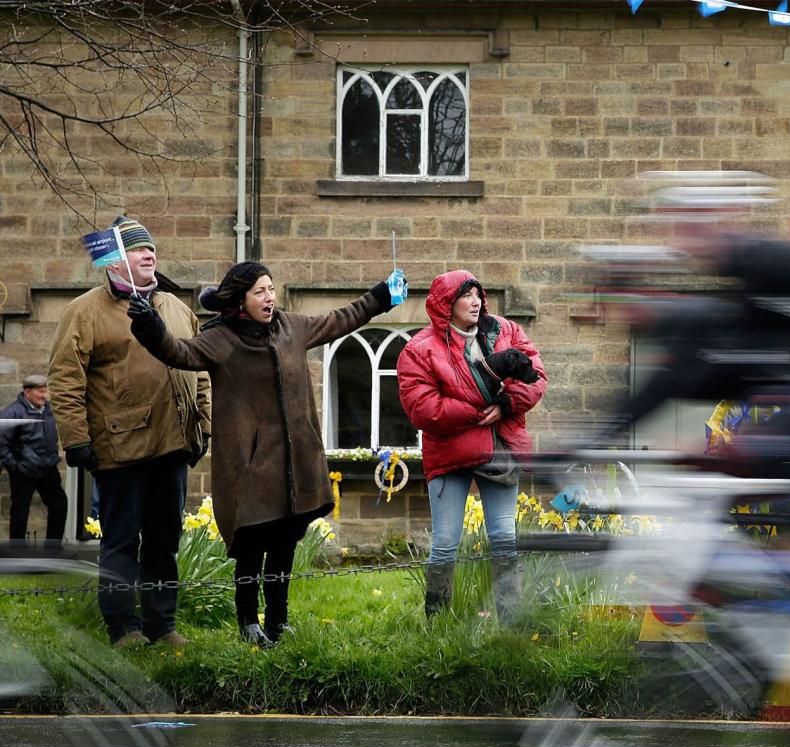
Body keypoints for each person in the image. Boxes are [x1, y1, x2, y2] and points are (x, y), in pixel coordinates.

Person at [127, 261, 402, 647]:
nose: (269, 297)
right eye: (259, 291)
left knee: (286, 543)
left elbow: (342, 319)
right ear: (240, 300)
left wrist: (382, 296)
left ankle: (277, 620)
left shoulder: (291, 327)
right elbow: (177, 352)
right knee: (253, 547)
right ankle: (247, 623)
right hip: (251, 465)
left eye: (271, 289)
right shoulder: (221, 339)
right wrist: (149, 329)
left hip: (296, 461)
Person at [48, 215, 211, 649]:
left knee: (164, 540)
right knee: (121, 541)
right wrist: (76, 439)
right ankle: (124, 627)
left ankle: (163, 625)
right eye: (137, 249)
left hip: (173, 445)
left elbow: (201, 367)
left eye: (151, 247)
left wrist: (204, 424)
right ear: (114, 263)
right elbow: (65, 380)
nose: (149, 254)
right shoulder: (83, 312)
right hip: (119, 449)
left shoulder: (175, 308)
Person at [396, 270, 546, 623]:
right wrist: (480, 408)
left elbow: (537, 376)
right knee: (446, 542)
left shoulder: (506, 331)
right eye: (466, 296)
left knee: (504, 539)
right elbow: (423, 408)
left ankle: (511, 624)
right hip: (450, 454)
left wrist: (507, 404)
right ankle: (438, 622)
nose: (476, 301)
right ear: (447, 304)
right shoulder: (419, 350)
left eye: (478, 294)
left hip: (500, 448)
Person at [0, 374, 68, 549]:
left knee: (59, 504)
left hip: (47, 467)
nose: (44, 396)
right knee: (20, 511)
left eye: (45, 391)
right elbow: (1, 443)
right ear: (27, 392)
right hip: (24, 470)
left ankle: (53, 549)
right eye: (40, 392)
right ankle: (17, 551)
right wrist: (14, 466)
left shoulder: (49, 409)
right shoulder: (12, 412)